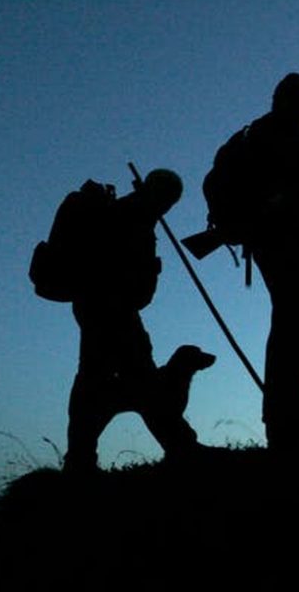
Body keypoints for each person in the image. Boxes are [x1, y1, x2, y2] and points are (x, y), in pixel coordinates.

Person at [213, 73, 299, 447]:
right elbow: (288, 187)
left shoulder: (289, 135)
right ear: (284, 99)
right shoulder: (274, 136)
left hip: (292, 241)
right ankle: (287, 418)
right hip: (282, 240)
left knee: (296, 320)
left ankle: (289, 413)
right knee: (295, 320)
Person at [63, 168, 216, 474]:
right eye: (169, 201)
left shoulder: (133, 212)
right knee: (132, 380)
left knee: (101, 381)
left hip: (103, 308)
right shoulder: (131, 214)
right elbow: (124, 270)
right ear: (162, 196)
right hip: (112, 310)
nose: (168, 208)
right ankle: (181, 447)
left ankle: (80, 459)